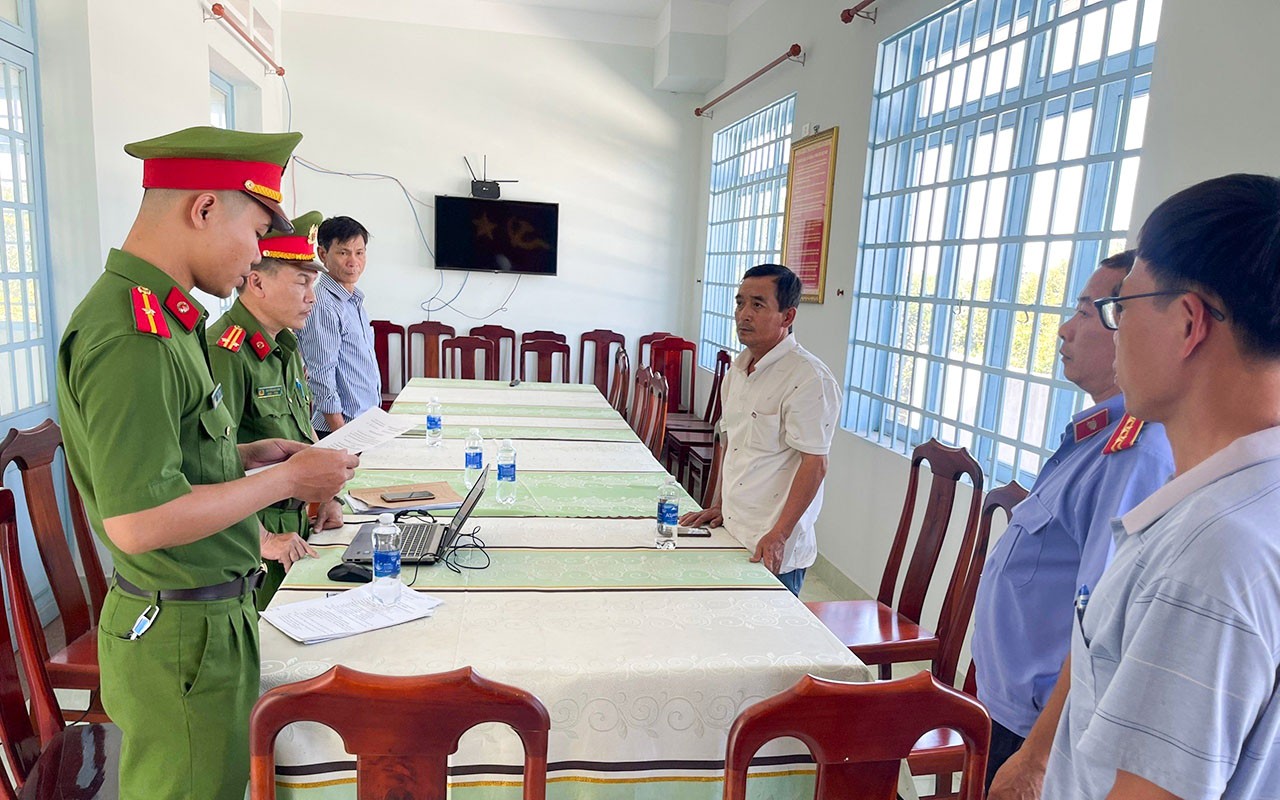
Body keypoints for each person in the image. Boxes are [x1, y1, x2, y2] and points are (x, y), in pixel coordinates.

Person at [56, 126, 359, 800]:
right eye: (257, 231)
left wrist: (253, 453)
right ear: (203, 209)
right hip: (181, 631)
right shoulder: (132, 334)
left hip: (208, 614)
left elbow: (175, 461)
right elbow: (137, 521)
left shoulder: (170, 320)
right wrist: (285, 481)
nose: (258, 255)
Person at [1039, 173, 1280, 799]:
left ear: (1188, 322)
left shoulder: (1211, 559)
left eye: (1122, 307)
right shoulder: (1247, 504)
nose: (1109, 334)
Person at [979, 251, 1174, 796]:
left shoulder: (1135, 454)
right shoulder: (1096, 436)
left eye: (1089, 313)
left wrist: (1038, 758)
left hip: (1042, 730)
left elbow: (1100, 627)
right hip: (1014, 709)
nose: (1066, 330)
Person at [208, 210, 346, 610]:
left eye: (313, 284)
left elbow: (302, 437)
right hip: (254, 550)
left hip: (296, 528)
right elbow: (211, 469)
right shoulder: (226, 352)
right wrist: (265, 541)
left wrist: (325, 498)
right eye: (301, 282)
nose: (311, 297)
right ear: (257, 282)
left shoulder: (282, 349)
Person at [679, 263, 841, 596]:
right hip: (732, 529)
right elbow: (731, 443)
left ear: (788, 316)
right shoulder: (738, 370)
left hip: (771, 545)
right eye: (740, 303)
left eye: (758, 304)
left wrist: (780, 534)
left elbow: (815, 464)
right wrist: (720, 503)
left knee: (766, 643)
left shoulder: (808, 378)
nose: (743, 314)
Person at [297, 215, 380, 433]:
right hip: (341, 428)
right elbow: (321, 374)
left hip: (364, 421)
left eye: (359, 253)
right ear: (323, 254)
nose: (354, 261)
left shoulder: (353, 301)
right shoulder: (323, 304)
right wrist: (341, 434)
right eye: (343, 252)